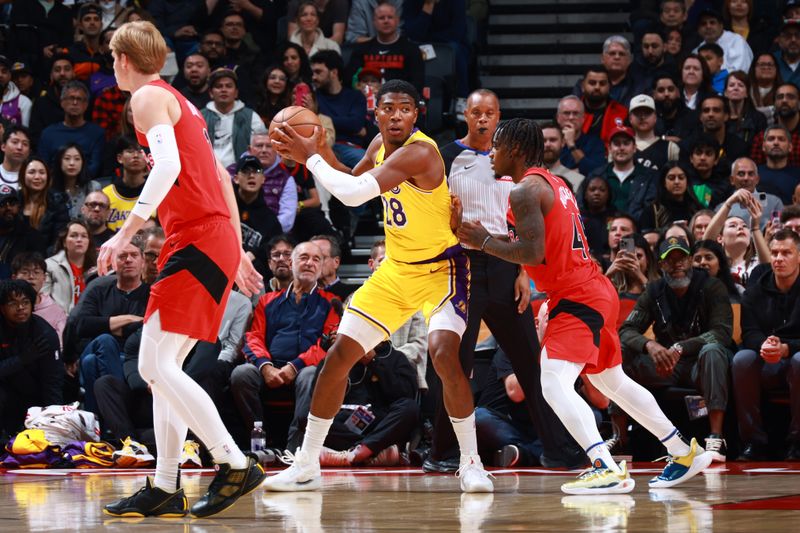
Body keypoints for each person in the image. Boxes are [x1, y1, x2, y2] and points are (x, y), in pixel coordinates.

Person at [457, 118, 712, 494]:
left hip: (577, 293)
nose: (491, 152)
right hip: (591, 288)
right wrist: (487, 237)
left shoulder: (524, 190)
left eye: (496, 145)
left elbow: (531, 250)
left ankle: (604, 465)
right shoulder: (553, 183)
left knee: (552, 380)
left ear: (513, 148)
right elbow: (538, 244)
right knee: (612, 381)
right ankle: (681, 450)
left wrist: (483, 243)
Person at [267, 79, 493, 492]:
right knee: (338, 358)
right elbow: (347, 182)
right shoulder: (377, 146)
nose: (396, 116)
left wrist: (309, 158)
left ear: (415, 114)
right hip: (397, 270)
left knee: (444, 356)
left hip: (442, 268)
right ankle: (306, 462)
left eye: (405, 108)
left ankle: (471, 462)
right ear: (377, 114)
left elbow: (352, 197)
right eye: (388, 108)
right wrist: (322, 152)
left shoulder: (420, 152)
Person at [99, 21, 266, 519]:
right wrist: (235, 248)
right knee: (162, 368)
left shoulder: (147, 98)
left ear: (123, 59)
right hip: (204, 238)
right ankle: (167, 485)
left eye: (113, 59)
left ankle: (234, 462)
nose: (113, 68)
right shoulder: (179, 100)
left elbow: (169, 168)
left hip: (195, 238)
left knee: (154, 365)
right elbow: (218, 175)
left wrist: (125, 231)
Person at [434, 89, 583, 471]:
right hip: (461, 266)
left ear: (499, 117)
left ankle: (558, 451)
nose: (483, 119)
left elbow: (524, 231)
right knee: (457, 363)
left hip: (506, 266)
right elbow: (434, 216)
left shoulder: (516, 165)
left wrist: (522, 273)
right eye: (476, 112)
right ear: (465, 115)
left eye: (490, 113)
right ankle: (444, 454)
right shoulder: (446, 156)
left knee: (529, 363)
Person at [618, 236, 735, 463]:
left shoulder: (712, 286)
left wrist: (682, 346)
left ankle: (715, 438)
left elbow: (721, 332)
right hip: (666, 365)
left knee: (712, 350)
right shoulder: (654, 290)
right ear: (661, 265)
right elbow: (627, 329)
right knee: (622, 350)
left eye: (682, 258)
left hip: (701, 364)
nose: (677, 264)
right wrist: (650, 345)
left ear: (690, 261)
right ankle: (620, 439)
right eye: (670, 260)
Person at [231, 241, 340, 450]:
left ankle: (294, 448)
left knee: (309, 375)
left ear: (321, 267)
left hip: (305, 369)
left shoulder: (331, 302)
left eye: (316, 259)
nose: (310, 263)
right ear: (291, 263)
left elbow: (326, 344)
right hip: (270, 366)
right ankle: (259, 440)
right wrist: (265, 366)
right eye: (304, 257)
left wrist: (295, 366)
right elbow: (253, 337)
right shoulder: (267, 301)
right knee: (241, 374)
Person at [733, 229, 800, 461]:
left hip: (795, 358)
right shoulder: (755, 289)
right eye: (774, 253)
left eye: (786, 253)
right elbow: (749, 332)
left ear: (799, 256)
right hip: (767, 360)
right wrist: (765, 346)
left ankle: (797, 442)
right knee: (742, 359)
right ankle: (753, 441)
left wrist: (787, 348)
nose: (779, 258)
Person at [0, 279, 63, 437]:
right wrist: (22, 359)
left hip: (34, 399)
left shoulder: (45, 334)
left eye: (25, 302)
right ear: (2, 308)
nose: (21, 308)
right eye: (13, 303)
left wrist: (54, 425)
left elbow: (52, 383)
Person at [346, 0, 425, 92]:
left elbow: (417, 84)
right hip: (366, 100)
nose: (386, 21)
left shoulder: (411, 50)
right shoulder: (361, 50)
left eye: (390, 17)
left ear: (397, 21)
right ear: (374, 22)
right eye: (381, 18)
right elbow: (348, 80)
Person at [201, 68, 267, 170]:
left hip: (242, 175)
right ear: (210, 93)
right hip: (208, 173)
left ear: (236, 93)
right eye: (219, 86)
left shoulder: (251, 117)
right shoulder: (200, 116)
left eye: (229, 86)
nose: (224, 90)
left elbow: (263, 148)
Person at [37, 81, 105, 179]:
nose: (75, 103)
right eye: (71, 98)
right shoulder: (48, 133)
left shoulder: (97, 133)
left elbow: (95, 167)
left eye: (79, 99)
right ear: (62, 102)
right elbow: (43, 166)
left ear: (86, 105)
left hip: (86, 186)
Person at [11, 252, 67, 347]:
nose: (31, 277)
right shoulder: (5, 306)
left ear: (44, 278)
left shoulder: (56, 311)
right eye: (25, 272)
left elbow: (60, 346)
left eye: (36, 272)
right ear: (14, 277)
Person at [44, 220, 97, 315]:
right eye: (74, 235)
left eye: (84, 236)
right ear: (64, 242)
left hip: (89, 322)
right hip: (59, 323)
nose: (79, 239)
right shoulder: (49, 266)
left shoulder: (97, 269)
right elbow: (43, 302)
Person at [18, 156, 70, 250]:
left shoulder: (57, 202)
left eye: (42, 172)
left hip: (46, 260)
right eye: (32, 172)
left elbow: (58, 241)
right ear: (23, 175)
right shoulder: (14, 201)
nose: (37, 177)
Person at [101, 136, 150, 232]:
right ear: (119, 158)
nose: (136, 155)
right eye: (130, 151)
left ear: (147, 158)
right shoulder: (105, 195)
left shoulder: (156, 193)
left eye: (140, 151)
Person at [719, 157, 783, 229]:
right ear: (732, 180)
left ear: (757, 179)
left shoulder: (774, 202)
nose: (746, 178)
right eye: (741, 174)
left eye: (751, 174)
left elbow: (778, 233)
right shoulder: (721, 208)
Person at [640, 161, 702, 232]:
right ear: (664, 183)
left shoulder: (697, 210)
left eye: (681, 178)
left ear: (687, 181)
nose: (677, 182)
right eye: (671, 178)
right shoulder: (652, 212)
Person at [29, 54, 75, 140]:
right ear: (51, 75)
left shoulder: (82, 100)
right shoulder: (41, 103)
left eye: (67, 69)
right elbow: (35, 137)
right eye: (57, 70)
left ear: (73, 73)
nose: (62, 73)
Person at [557, 95, 606, 177]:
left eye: (575, 113)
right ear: (558, 118)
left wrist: (571, 145)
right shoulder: (550, 140)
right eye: (566, 113)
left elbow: (597, 171)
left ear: (583, 118)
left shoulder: (595, 143)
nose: (571, 117)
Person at [692, 8, 753, 73]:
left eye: (712, 22)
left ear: (721, 25)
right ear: (698, 30)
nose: (708, 26)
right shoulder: (696, 51)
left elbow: (740, 71)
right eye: (703, 24)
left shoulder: (736, 41)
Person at [629, 94, 680, 172]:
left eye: (647, 113)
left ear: (655, 117)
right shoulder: (620, 147)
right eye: (637, 113)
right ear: (630, 118)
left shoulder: (671, 148)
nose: (642, 117)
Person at [51, 143, 102, 219]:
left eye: (77, 159)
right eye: (67, 158)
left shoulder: (94, 188)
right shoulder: (50, 189)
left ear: (83, 162)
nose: (72, 163)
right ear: (59, 162)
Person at [755, 124, 800, 206]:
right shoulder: (753, 173)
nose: (776, 143)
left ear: (790, 147)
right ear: (763, 146)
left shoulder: (798, 175)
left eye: (781, 139)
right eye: (771, 139)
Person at [724, 70, 767, 146]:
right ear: (725, 93)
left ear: (747, 93)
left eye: (740, 85)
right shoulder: (720, 118)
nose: (736, 88)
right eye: (731, 85)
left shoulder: (758, 119)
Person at [541, 122, 584, 191]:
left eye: (553, 140)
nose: (547, 144)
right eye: (543, 140)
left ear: (563, 142)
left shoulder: (577, 180)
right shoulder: (525, 178)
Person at [748, 53, 781, 125]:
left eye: (770, 65)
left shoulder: (784, 91)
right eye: (762, 64)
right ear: (754, 69)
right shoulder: (745, 91)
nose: (766, 67)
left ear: (776, 69)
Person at [0, 55, 32, 127]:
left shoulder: (23, 102)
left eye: (4, 71)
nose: (0, 75)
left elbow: (24, 134)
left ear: (9, 75)